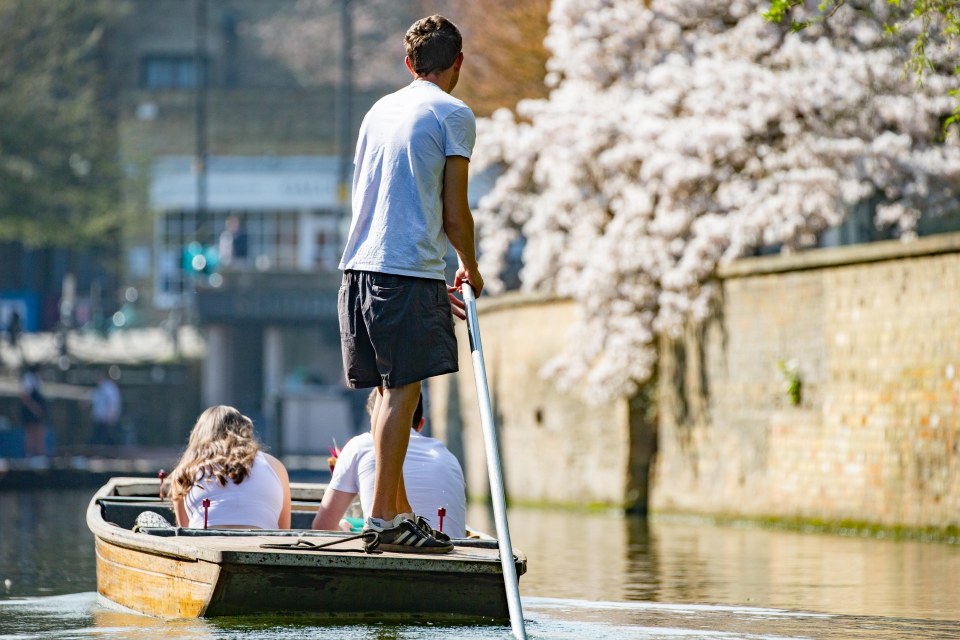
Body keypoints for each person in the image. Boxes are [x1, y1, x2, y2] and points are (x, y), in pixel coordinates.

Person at [336, 14, 483, 553]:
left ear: (408, 63)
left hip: (358, 270)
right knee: (404, 392)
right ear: (458, 63)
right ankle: (381, 520)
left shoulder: (378, 110)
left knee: (384, 395)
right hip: (404, 271)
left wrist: (424, 272)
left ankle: (397, 513)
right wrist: (470, 266)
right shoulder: (454, 113)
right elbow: (455, 213)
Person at [313, 390, 467, 538]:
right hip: (452, 551)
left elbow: (322, 528)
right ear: (420, 424)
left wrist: (343, 527)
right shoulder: (448, 456)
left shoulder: (360, 445)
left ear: (376, 423)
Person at [167, 405, 291, 529]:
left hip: (206, 544)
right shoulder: (274, 466)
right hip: (262, 546)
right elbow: (284, 531)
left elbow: (184, 533)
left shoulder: (185, 470)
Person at [88, 369, 122, 447]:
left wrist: (110, 417)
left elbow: (113, 403)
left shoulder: (109, 388)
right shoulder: (98, 389)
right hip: (99, 422)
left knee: (107, 443)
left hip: (107, 422)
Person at [19, 363, 46, 457]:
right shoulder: (28, 378)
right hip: (30, 411)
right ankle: (29, 455)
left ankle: (39, 455)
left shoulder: (37, 378)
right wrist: (35, 408)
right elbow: (25, 397)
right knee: (30, 433)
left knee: (39, 433)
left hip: (35, 411)